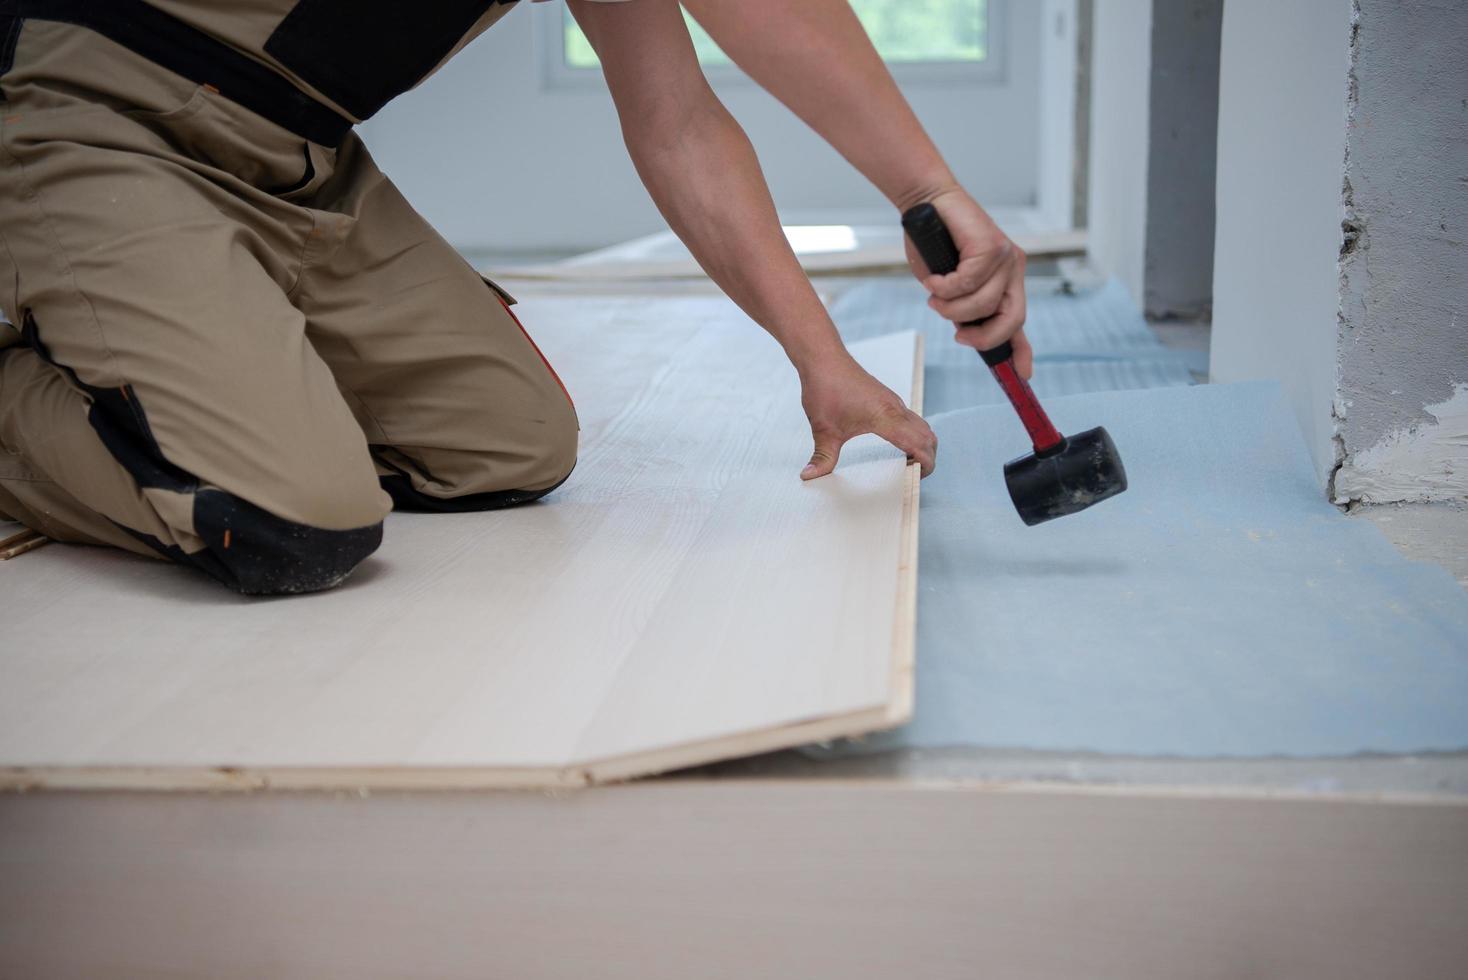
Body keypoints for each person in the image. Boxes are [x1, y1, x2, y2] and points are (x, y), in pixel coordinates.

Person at [0, 0, 1029, 595]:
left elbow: (673, 120)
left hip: (292, 156)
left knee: (507, 445)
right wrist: (922, 185)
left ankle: (185, 339)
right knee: (291, 517)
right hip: (85, 108)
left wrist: (822, 359)